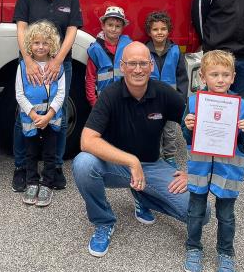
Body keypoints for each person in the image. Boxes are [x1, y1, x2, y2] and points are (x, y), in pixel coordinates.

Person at [72, 42, 207, 258]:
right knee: (83, 163)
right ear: (122, 66)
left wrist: (194, 173)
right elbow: (87, 141)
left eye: (143, 63)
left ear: (151, 65)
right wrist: (131, 162)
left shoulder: (164, 93)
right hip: (116, 166)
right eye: (132, 63)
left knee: (201, 212)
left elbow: (198, 130)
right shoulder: (109, 95)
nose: (137, 69)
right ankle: (104, 222)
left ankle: (142, 196)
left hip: (151, 166)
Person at [12, 0, 83, 192]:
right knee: (22, 116)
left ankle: (54, 168)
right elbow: (21, 30)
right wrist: (28, 61)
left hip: (60, 65)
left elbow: (72, 31)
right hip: (30, 66)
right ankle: (21, 168)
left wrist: (58, 61)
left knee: (59, 117)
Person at [182, 50, 244, 272]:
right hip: (200, 167)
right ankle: (193, 247)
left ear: (233, 77)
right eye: (214, 74)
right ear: (203, 77)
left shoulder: (241, 105)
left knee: (226, 215)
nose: (220, 79)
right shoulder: (193, 102)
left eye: (225, 74)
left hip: (227, 171)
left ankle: (225, 252)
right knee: (196, 211)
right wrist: (188, 126)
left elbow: (243, 140)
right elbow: (187, 138)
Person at [16, 21, 65, 207]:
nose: (41, 47)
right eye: (36, 43)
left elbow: (61, 93)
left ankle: (47, 183)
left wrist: (49, 115)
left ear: (51, 44)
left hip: (51, 120)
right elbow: (19, 94)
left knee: (49, 153)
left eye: (45, 43)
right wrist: (35, 115)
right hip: (31, 120)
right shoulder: (22, 67)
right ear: (30, 44)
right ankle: (32, 182)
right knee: (31, 153)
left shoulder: (57, 67)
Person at [145, 10, 188, 169]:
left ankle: (169, 156)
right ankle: (154, 156)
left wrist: (181, 99)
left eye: (163, 29)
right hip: (150, 99)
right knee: (153, 129)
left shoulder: (176, 51)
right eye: (155, 29)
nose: (159, 32)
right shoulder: (144, 50)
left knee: (170, 131)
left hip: (170, 100)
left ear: (168, 30)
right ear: (149, 32)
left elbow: (182, 77)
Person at [85, 6, 132, 107]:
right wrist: (93, 101)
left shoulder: (128, 46)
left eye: (118, 26)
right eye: (110, 25)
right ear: (103, 26)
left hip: (126, 99)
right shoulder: (95, 49)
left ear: (122, 28)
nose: (113, 29)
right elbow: (90, 77)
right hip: (103, 101)